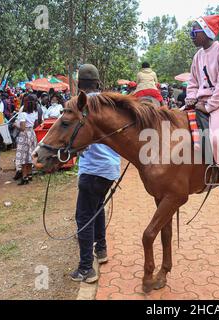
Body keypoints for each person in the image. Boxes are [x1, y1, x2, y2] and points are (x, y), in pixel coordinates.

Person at [70, 64, 121, 284]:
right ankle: (101, 250)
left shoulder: (80, 106)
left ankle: (85, 269)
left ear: (79, 84)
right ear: (98, 83)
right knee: (97, 208)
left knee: (83, 217)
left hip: (92, 169)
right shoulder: (108, 104)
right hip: (110, 169)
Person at [186, 14, 219, 208]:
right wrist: (191, 98)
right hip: (201, 101)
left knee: (216, 137)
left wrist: (208, 106)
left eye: (194, 31)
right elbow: (192, 82)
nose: (191, 35)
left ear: (207, 32)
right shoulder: (198, 55)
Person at [15, 94, 38, 185]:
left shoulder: (23, 114)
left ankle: (24, 176)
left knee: (23, 157)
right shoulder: (35, 112)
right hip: (32, 133)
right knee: (30, 154)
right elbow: (36, 124)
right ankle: (29, 174)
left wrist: (15, 125)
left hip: (24, 135)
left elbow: (22, 128)